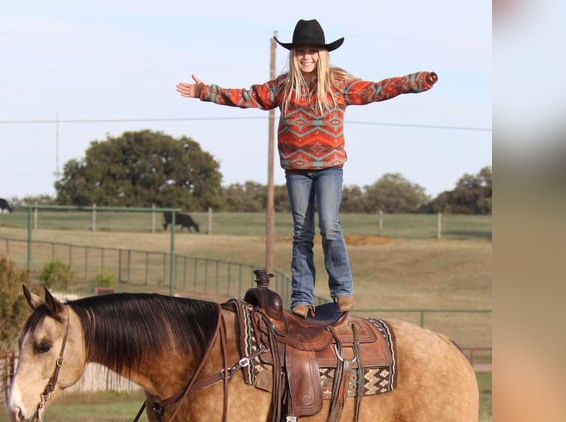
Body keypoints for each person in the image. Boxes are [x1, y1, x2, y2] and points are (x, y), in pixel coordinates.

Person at [177, 19, 438, 318]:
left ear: (322, 54)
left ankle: (342, 290)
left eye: (312, 51)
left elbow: (376, 90)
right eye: (301, 51)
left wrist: (416, 81)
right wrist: (204, 91)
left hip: (329, 167)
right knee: (302, 233)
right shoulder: (283, 86)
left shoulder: (338, 84)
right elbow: (247, 97)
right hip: (297, 170)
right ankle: (302, 297)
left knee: (329, 226)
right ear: (293, 55)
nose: (306, 57)